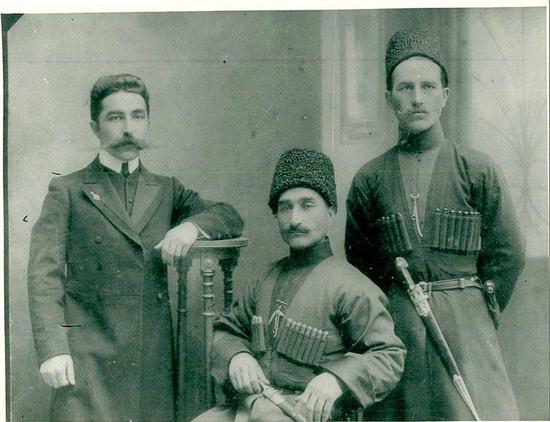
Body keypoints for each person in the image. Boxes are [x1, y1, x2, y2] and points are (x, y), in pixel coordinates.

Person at [27, 73, 244, 422]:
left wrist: (191, 227)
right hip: (87, 359)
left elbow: (228, 216)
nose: (128, 128)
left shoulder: (167, 190)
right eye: (116, 117)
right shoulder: (69, 190)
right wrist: (53, 349)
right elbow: (44, 273)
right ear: (95, 127)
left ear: (147, 121)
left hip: (150, 362)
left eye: (137, 116)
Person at [345, 28, 525, 420]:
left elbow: (508, 253)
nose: (417, 98)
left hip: (467, 330)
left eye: (427, 86)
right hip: (398, 334)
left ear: (445, 95)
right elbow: (361, 265)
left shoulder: (477, 169)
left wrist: (477, 310)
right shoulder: (369, 179)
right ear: (389, 99)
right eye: (405, 88)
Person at [194, 148, 406, 422]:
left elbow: (389, 355)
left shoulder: (352, 287)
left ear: (330, 213)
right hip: (253, 406)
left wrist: (337, 379)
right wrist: (237, 356)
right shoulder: (264, 278)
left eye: (307, 205)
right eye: (285, 207)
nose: (295, 219)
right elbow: (227, 330)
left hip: (310, 415)